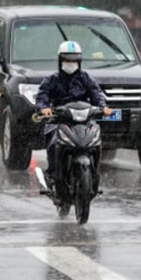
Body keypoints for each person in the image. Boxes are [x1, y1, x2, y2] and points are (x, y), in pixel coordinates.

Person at [35, 41, 112, 186]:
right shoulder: (51, 80)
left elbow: (97, 95)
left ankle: (94, 176)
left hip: (84, 120)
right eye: (67, 60)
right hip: (58, 120)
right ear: (60, 60)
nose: (70, 63)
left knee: (96, 141)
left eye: (73, 60)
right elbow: (42, 96)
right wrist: (43, 108)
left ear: (79, 61)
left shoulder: (86, 78)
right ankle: (52, 175)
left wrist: (103, 107)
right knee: (53, 142)